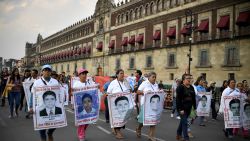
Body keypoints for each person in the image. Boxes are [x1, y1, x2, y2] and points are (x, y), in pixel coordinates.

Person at [29, 64, 61, 141]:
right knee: (41, 126)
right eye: (45, 70)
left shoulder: (55, 82)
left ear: (51, 72)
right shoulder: (37, 82)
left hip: (53, 106)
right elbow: (32, 95)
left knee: (55, 124)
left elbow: (59, 94)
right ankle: (43, 139)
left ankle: (50, 133)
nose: (47, 72)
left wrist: (61, 104)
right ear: (42, 72)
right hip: (40, 106)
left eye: (48, 70)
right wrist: (30, 106)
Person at [73, 68, 98, 141]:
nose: (84, 75)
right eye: (83, 74)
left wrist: (97, 87)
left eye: (85, 74)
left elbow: (94, 90)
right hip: (80, 106)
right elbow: (74, 94)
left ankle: (82, 132)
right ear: (79, 75)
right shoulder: (76, 84)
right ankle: (81, 135)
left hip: (89, 105)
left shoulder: (90, 83)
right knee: (82, 121)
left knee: (87, 121)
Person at [136, 72, 161, 141]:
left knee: (153, 120)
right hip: (145, 104)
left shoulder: (156, 84)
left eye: (155, 77)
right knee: (142, 121)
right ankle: (138, 128)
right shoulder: (144, 83)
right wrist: (144, 92)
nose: (154, 78)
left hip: (154, 105)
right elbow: (138, 91)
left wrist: (160, 92)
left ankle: (151, 136)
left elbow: (156, 93)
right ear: (149, 77)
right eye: (153, 77)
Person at [107, 69, 131, 139]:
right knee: (117, 118)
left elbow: (129, 90)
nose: (122, 75)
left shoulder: (126, 82)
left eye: (123, 73)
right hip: (116, 104)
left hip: (124, 104)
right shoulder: (113, 83)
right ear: (117, 75)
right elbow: (108, 92)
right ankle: (118, 132)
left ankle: (117, 130)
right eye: (121, 73)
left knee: (122, 118)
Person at [176, 73, 196, 141]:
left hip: (189, 108)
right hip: (182, 108)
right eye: (188, 78)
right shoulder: (180, 87)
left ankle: (178, 134)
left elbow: (193, 98)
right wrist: (180, 109)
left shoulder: (191, 87)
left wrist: (195, 107)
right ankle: (186, 138)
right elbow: (178, 99)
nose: (189, 80)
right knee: (185, 123)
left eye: (190, 78)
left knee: (182, 122)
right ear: (183, 80)